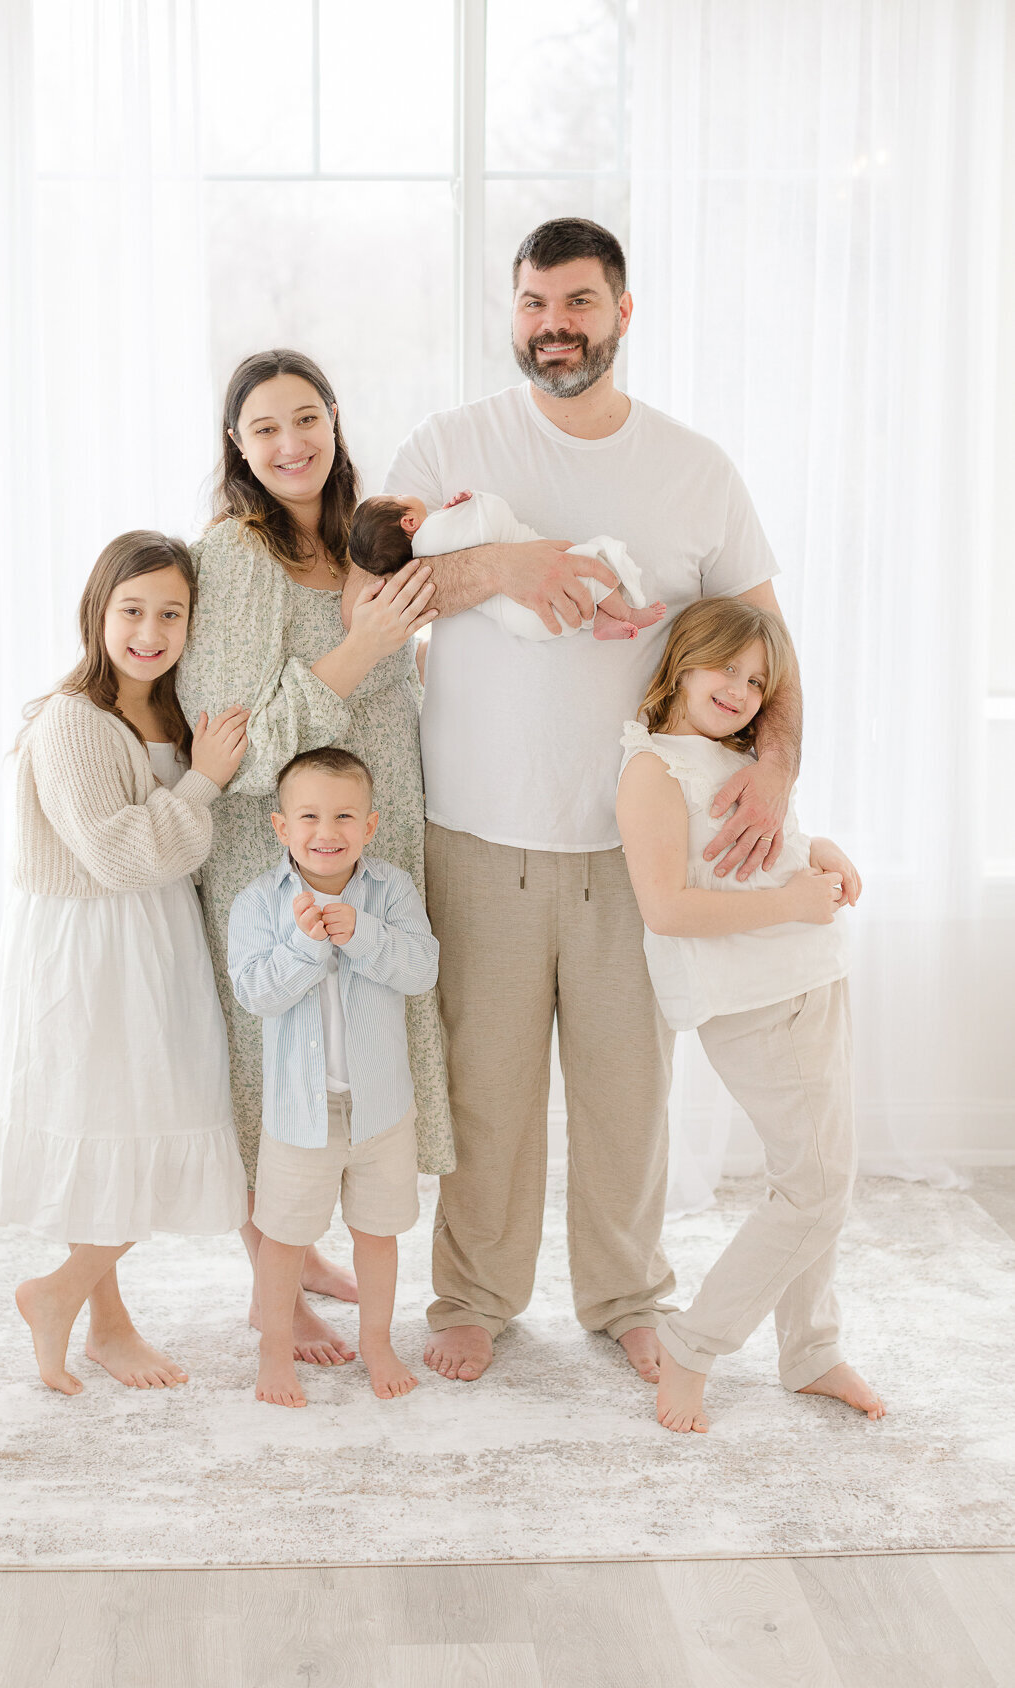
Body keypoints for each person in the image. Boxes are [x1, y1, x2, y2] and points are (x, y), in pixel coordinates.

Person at [367, 215, 801, 1386]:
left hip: (634, 844)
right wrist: (508, 568)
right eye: (531, 304)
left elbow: (767, 635)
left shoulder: (692, 468)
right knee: (486, 1088)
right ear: (509, 313)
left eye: (575, 303)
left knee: (627, 1092)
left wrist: (773, 764)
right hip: (475, 828)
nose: (551, 326)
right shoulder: (452, 441)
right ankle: (472, 1295)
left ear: (619, 313)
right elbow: (374, 591)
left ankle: (624, 1295)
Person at [177, 350, 455, 1370]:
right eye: (263, 429)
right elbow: (238, 745)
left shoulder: (351, 540)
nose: (289, 444)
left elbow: (388, 680)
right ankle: (275, 1293)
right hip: (275, 850)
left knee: (361, 1053)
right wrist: (363, 648)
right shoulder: (236, 555)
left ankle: (301, 1260)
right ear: (237, 447)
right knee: (280, 1070)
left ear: (335, 420)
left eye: (306, 419)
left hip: (370, 839)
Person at [0, 531, 250, 1396]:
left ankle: (104, 1322)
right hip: (91, 948)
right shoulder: (72, 721)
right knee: (121, 1126)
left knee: (129, 1132)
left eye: (172, 612)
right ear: (98, 611)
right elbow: (118, 856)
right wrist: (201, 783)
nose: (151, 630)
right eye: (133, 610)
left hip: (153, 936)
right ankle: (57, 1294)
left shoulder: (169, 710)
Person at [616, 597, 884, 1431]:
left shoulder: (736, 757)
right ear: (681, 664)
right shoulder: (653, 771)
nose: (739, 688)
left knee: (814, 1172)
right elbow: (667, 908)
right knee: (815, 1188)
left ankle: (811, 1349)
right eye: (725, 667)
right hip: (755, 1000)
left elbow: (756, 863)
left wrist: (818, 854)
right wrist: (795, 906)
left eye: (756, 680)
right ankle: (694, 1346)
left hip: (810, 975)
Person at [228, 747, 438, 1407]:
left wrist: (363, 934)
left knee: (377, 1231)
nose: (328, 831)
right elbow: (256, 993)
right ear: (281, 828)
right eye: (309, 816)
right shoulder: (260, 902)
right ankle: (274, 1349)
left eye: (345, 816)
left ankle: (377, 1341)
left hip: (380, 1108)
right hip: (299, 1110)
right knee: (286, 1235)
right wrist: (307, 943)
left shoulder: (389, 890)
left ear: (370, 827)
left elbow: (420, 971)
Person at [347, 488, 665, 642]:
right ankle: (625, 612)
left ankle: (598, 622)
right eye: (398, 495)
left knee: (578, 596)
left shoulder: (420, 557)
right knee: (588, 565)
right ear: (410, 520)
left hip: (522, 622)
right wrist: (474, 502)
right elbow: (491, 516)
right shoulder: (434, 532)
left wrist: (450, 512)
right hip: (531, 604)